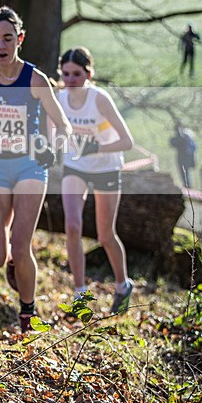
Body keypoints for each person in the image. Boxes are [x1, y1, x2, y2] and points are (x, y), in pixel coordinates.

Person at [0, 6, 71, 333]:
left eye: (8, 38)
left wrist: (52, 149)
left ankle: (27, 313)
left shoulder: (35, 79)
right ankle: (10, 262)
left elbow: (63, 126)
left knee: (21, 246)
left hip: (29, 165)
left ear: (20, 39)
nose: (1, 45)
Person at [56, 47, 135, 314]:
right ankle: (80, 293)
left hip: (106, 167)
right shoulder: (60, 99)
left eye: (76, 74)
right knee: (72, 226)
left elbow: (127, 141)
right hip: (75, 166)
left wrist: (96, 148)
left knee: (105, 235)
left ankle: (123, 285)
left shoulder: (99, 99)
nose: (70, 80)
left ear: (88, 74)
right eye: (66, 74)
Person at [170, 124, 197, 189]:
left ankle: (187, 186)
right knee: (185, 171)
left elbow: (175, 143)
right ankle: (187, 185)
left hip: (184, 157)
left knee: (185, 171)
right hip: (185, 156)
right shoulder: (188, 135)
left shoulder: (185, 136)